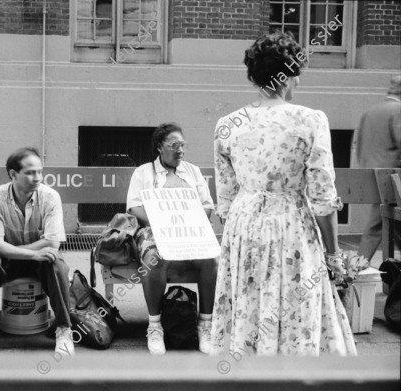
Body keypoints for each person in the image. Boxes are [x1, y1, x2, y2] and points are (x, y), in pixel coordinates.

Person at [211, 32, 356, 356]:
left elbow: (225, 198)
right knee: (296, 308)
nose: (299, 82)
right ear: (288, 75)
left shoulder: (228, 125)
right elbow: (322, 198)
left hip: (243, 227)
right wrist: (332, 256)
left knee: (247, 307)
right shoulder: (310, 120)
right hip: (291, 225)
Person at [126, 123, 218, 355]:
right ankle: (155, 326)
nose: (180, 151)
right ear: (159, 147)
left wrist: (192, 221)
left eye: (182, 146)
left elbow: (207, 205)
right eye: (174, 146)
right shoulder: (143, 172)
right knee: (155, 257)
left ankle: (205, 325)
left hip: (190, 231)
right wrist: (160, 223)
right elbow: (134, 207)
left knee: (211, 258)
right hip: (153, 231)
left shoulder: (193, 172)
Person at [0, 147, 73, 356]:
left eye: (39, 171)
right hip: (7, 261)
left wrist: (14, 250)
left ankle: (64, 329)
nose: (37, 177)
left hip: (37, 260)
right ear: (13, 174)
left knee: (56, 264)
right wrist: (31, 253)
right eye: (30, 172)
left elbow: (52, 243)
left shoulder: (50, 197)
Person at [353, 75, 401, 266]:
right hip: (390, 180)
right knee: (377, 226)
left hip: (370, 174)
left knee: (392, 225)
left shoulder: (371, 111)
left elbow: (359, 144)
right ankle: (353, 271)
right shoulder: (398, 110)